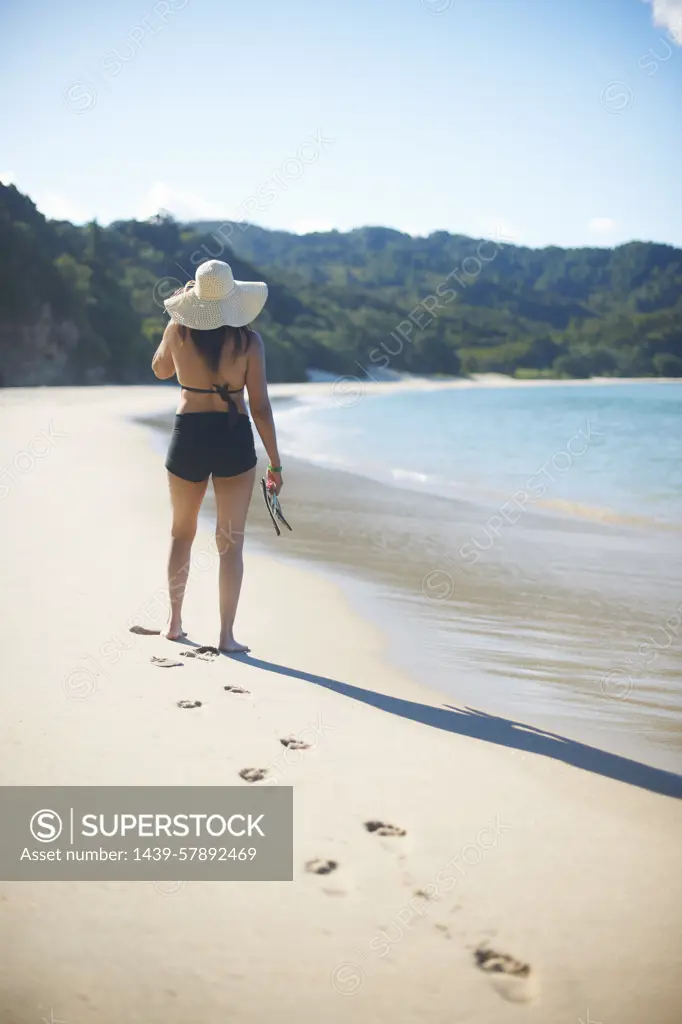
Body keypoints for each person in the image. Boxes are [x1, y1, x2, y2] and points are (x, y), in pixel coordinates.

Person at [151, 259, 282, 653]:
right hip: (232, 437)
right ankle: (226, 636)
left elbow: (159, 370)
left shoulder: (178, 330)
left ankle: (174, 623)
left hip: (188, 434)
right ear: (234, 301)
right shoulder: (249, 343)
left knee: (181, 534)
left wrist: (177, 315)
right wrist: (275, 462)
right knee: (231, 542)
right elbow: (259, 407)